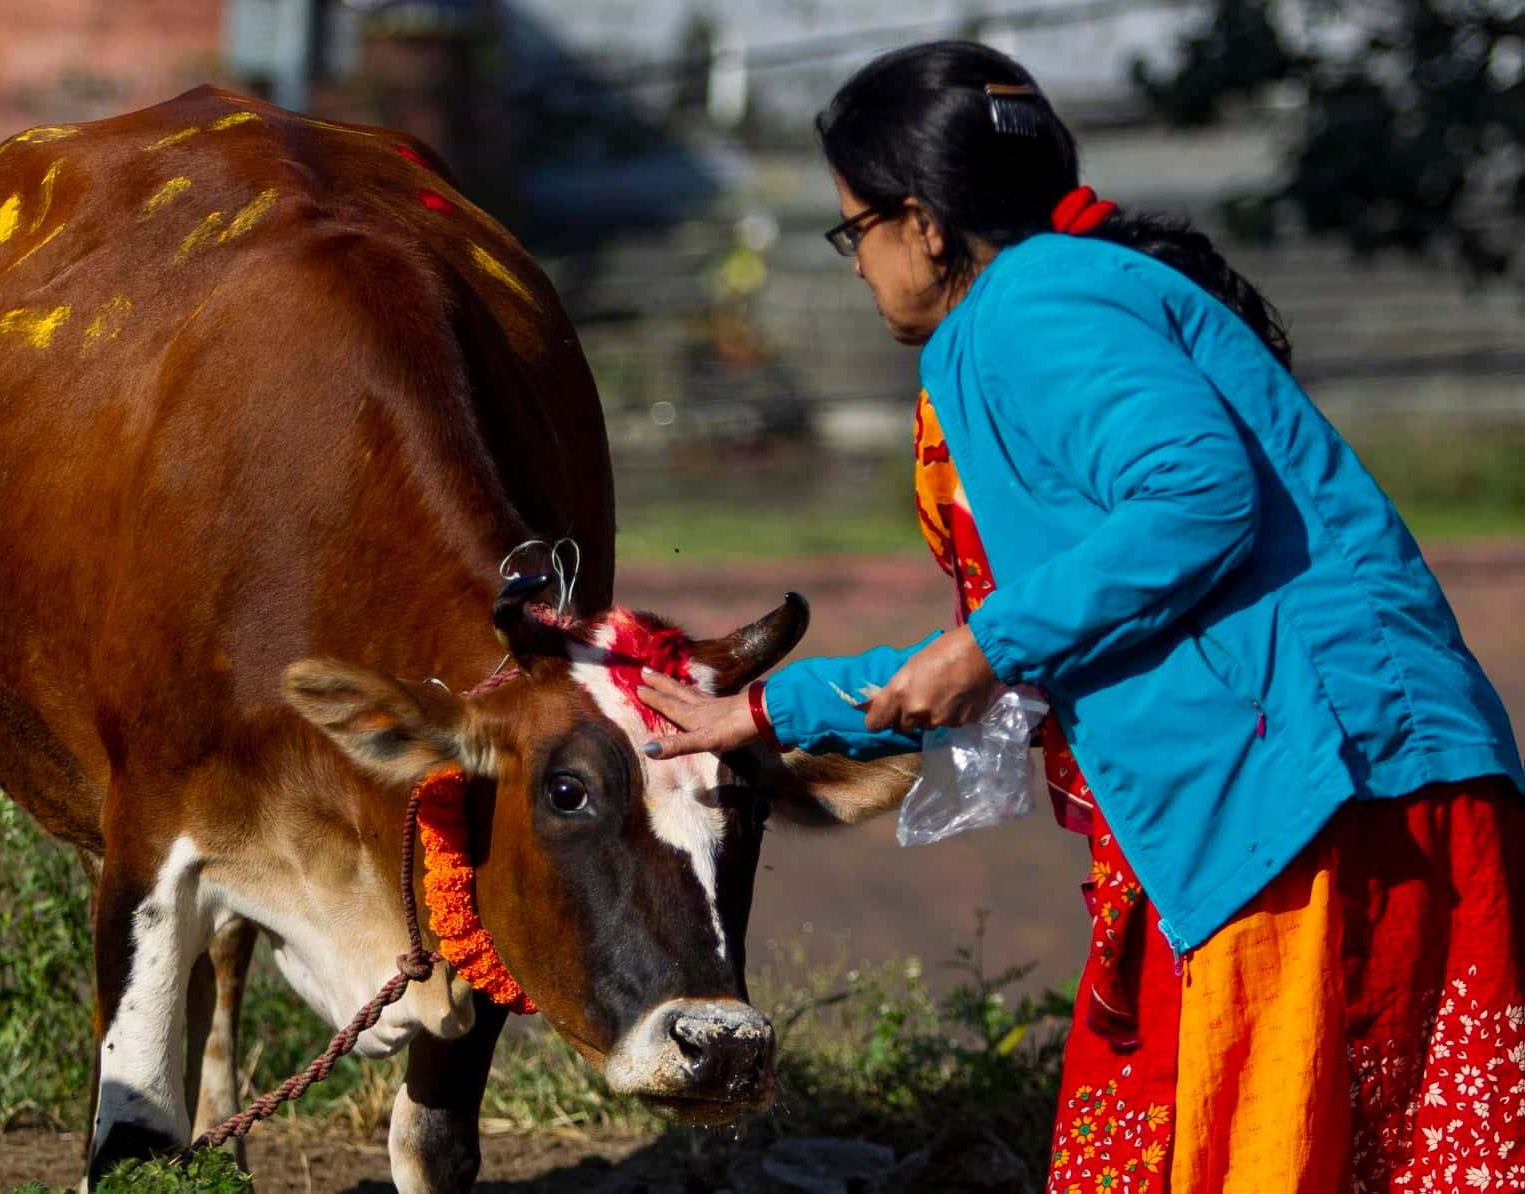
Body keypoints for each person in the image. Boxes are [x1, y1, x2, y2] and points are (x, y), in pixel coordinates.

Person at [638, 40, 1525, 1193]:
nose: (855, 264)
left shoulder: (1031, 305)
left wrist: (983, 644)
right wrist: (770, 709)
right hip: (1322, 783)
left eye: (851, 228)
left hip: (1315, 795)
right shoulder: (1073, 293)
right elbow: (1079, 610)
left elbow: (1194, 494)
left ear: (922, 221)